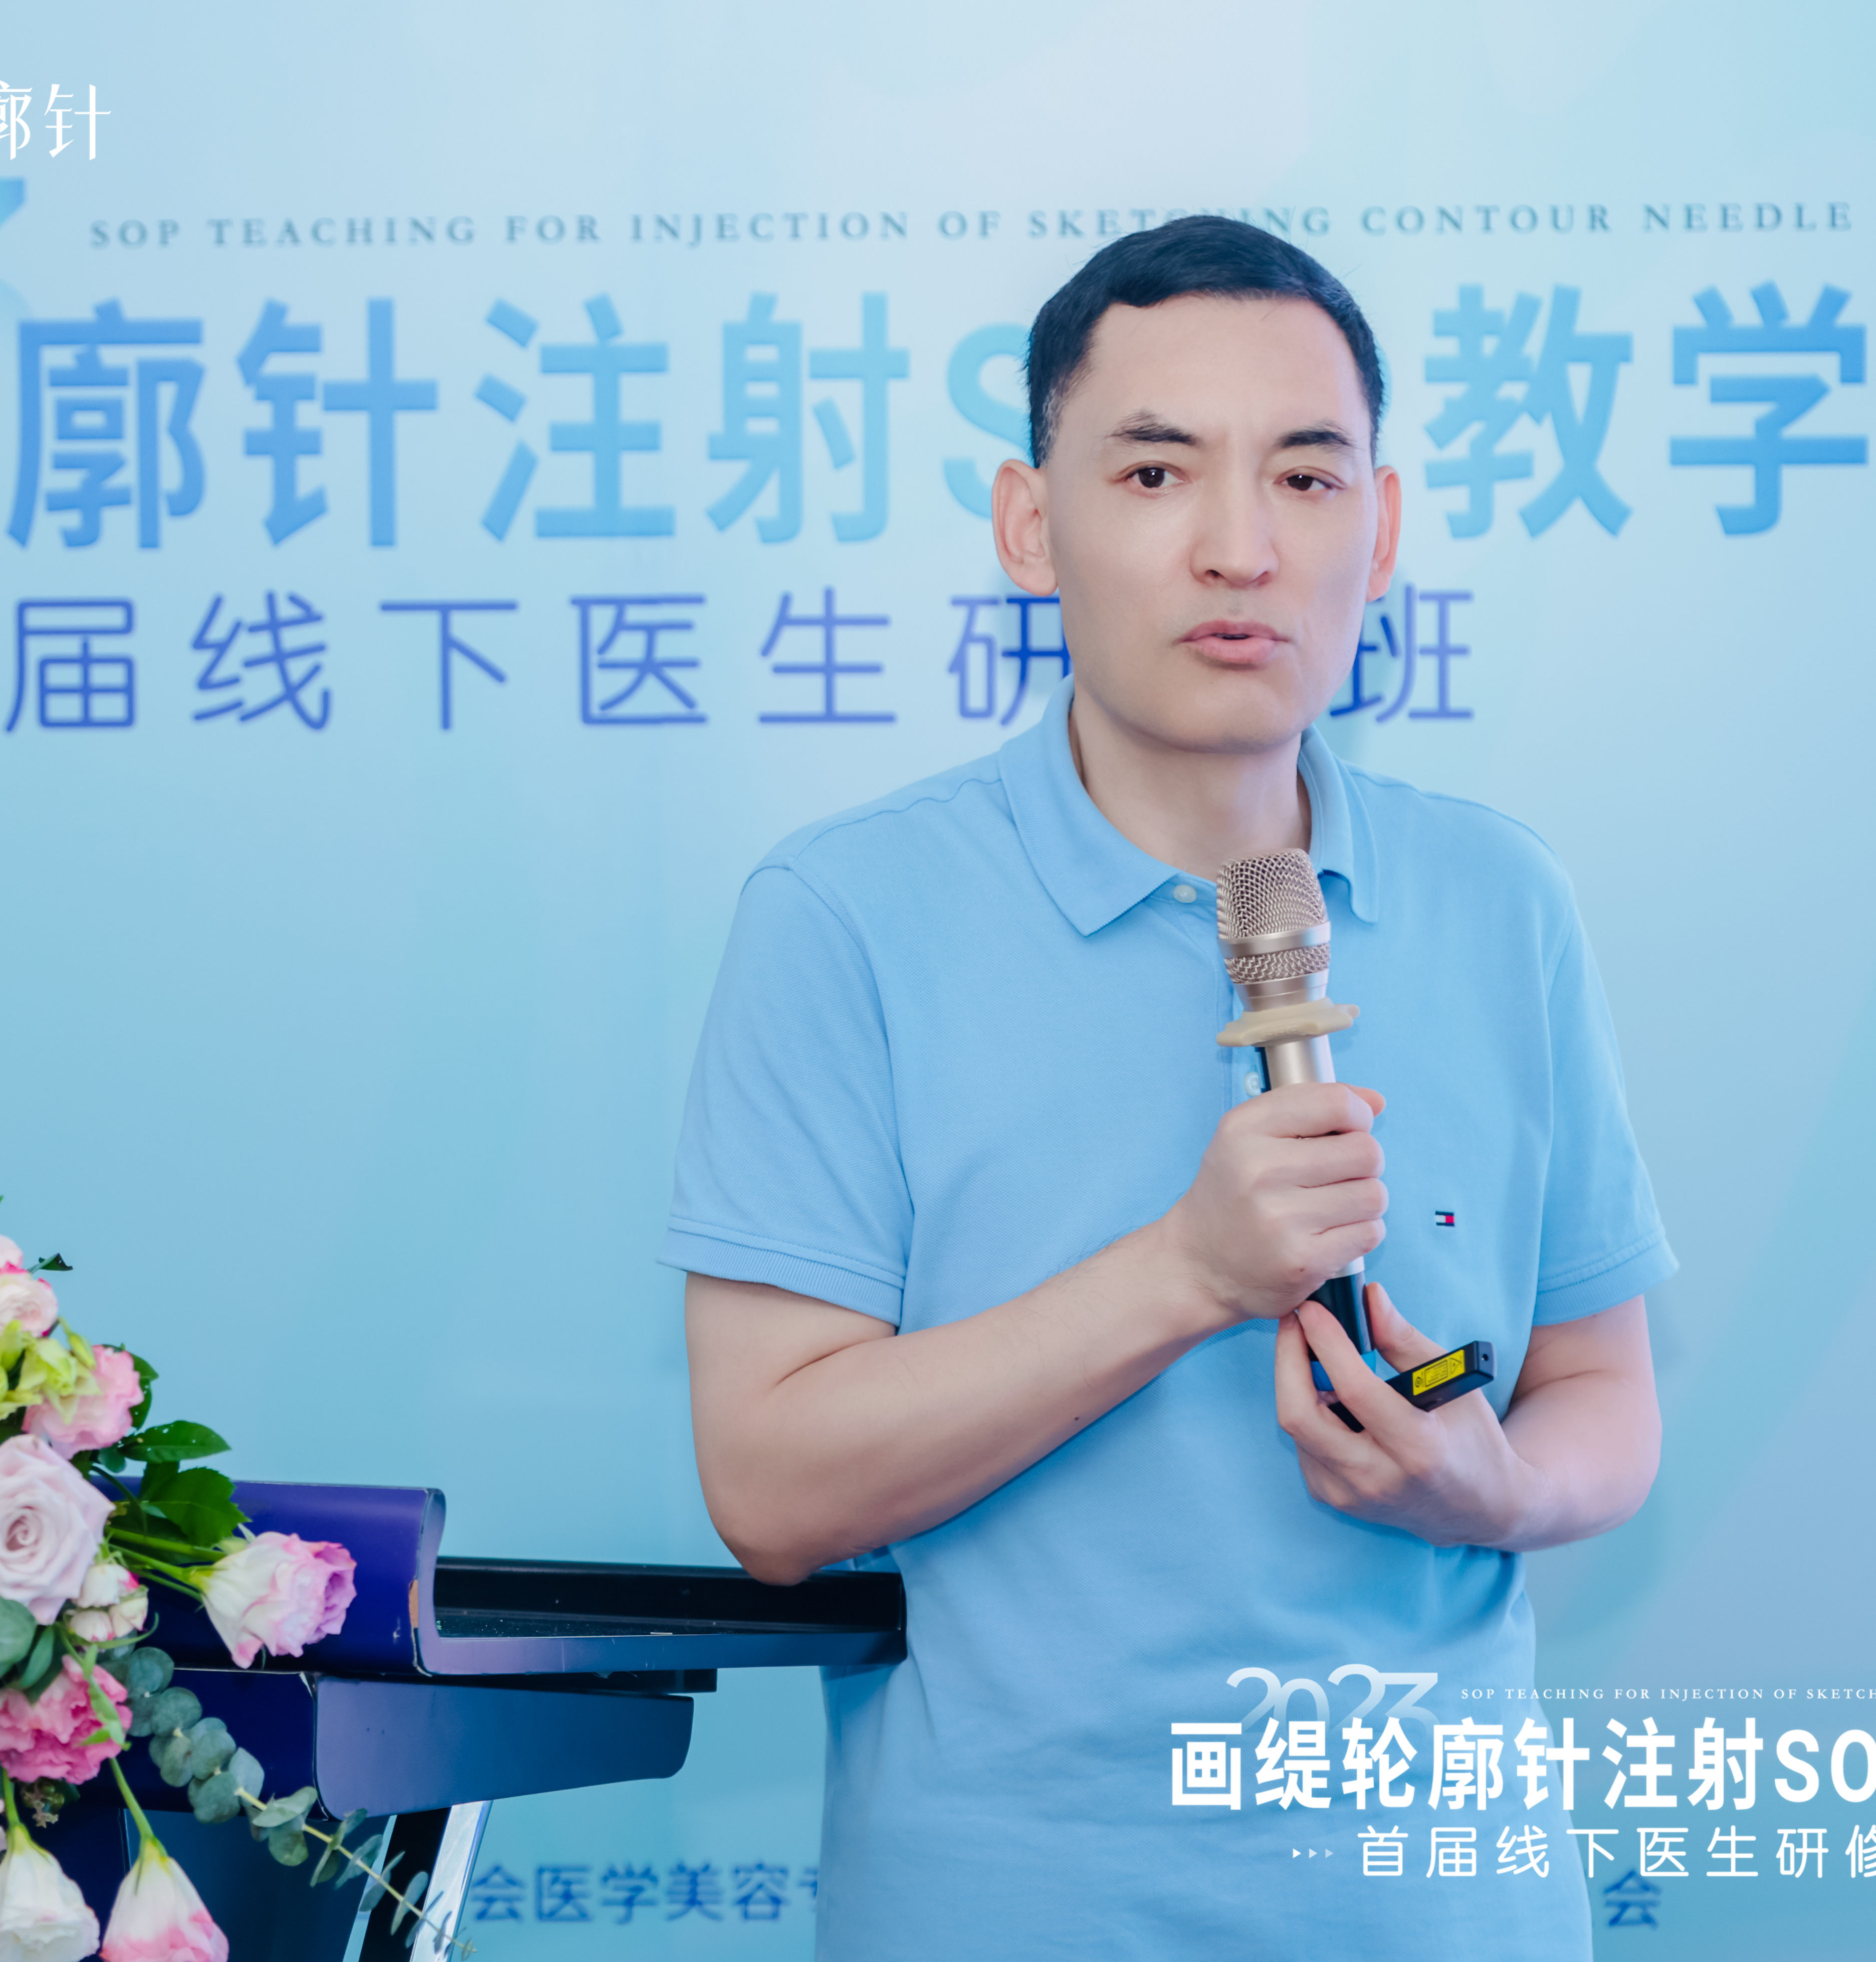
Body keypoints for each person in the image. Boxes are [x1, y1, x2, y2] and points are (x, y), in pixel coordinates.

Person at [660, 216, 1674, 1956]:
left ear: (1382, 529)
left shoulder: (1500, 900)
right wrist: (1188, 1271)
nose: (1237, 547)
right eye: (1153, 471)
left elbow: (1604, 1396)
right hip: (1012, 1910)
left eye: (1304, 477)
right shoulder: (845, 914)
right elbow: (769, 1490)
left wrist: (1489, 1490)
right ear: (1027, 525)